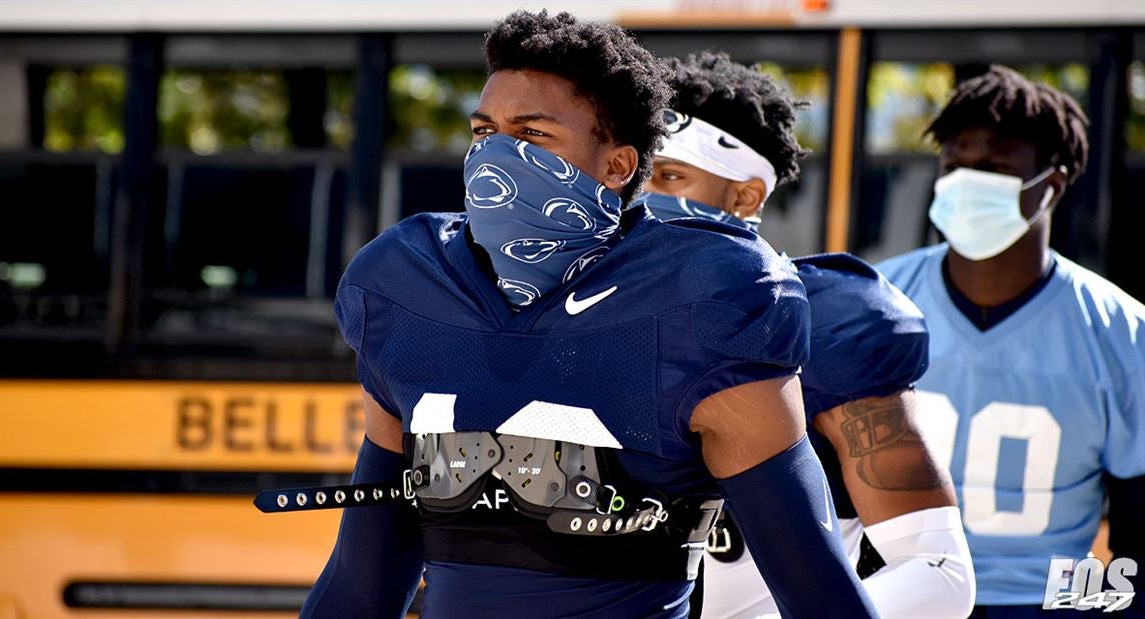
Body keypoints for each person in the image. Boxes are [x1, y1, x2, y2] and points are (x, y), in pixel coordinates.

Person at [279, 11, 878, 619]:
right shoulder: (408, 286)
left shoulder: (703, 298)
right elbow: (363, 579)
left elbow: (817, 588)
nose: (494, 157)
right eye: (484, 131)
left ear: (618, 166)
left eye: (532, 135)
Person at [636, 51, 976, 618]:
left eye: (670, 176)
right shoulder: (572, 311)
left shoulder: (826, 320)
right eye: (634, 174)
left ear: (744, 197)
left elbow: (939, 575)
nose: (644, 198)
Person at [877, 66, 1145, 617]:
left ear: (1053, 184)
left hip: (1045, 600)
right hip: (898, 595)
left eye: (995, 168)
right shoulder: (878, 301)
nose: (968, 181)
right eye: (955, 166)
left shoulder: (1122, 330)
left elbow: (1138, 532)